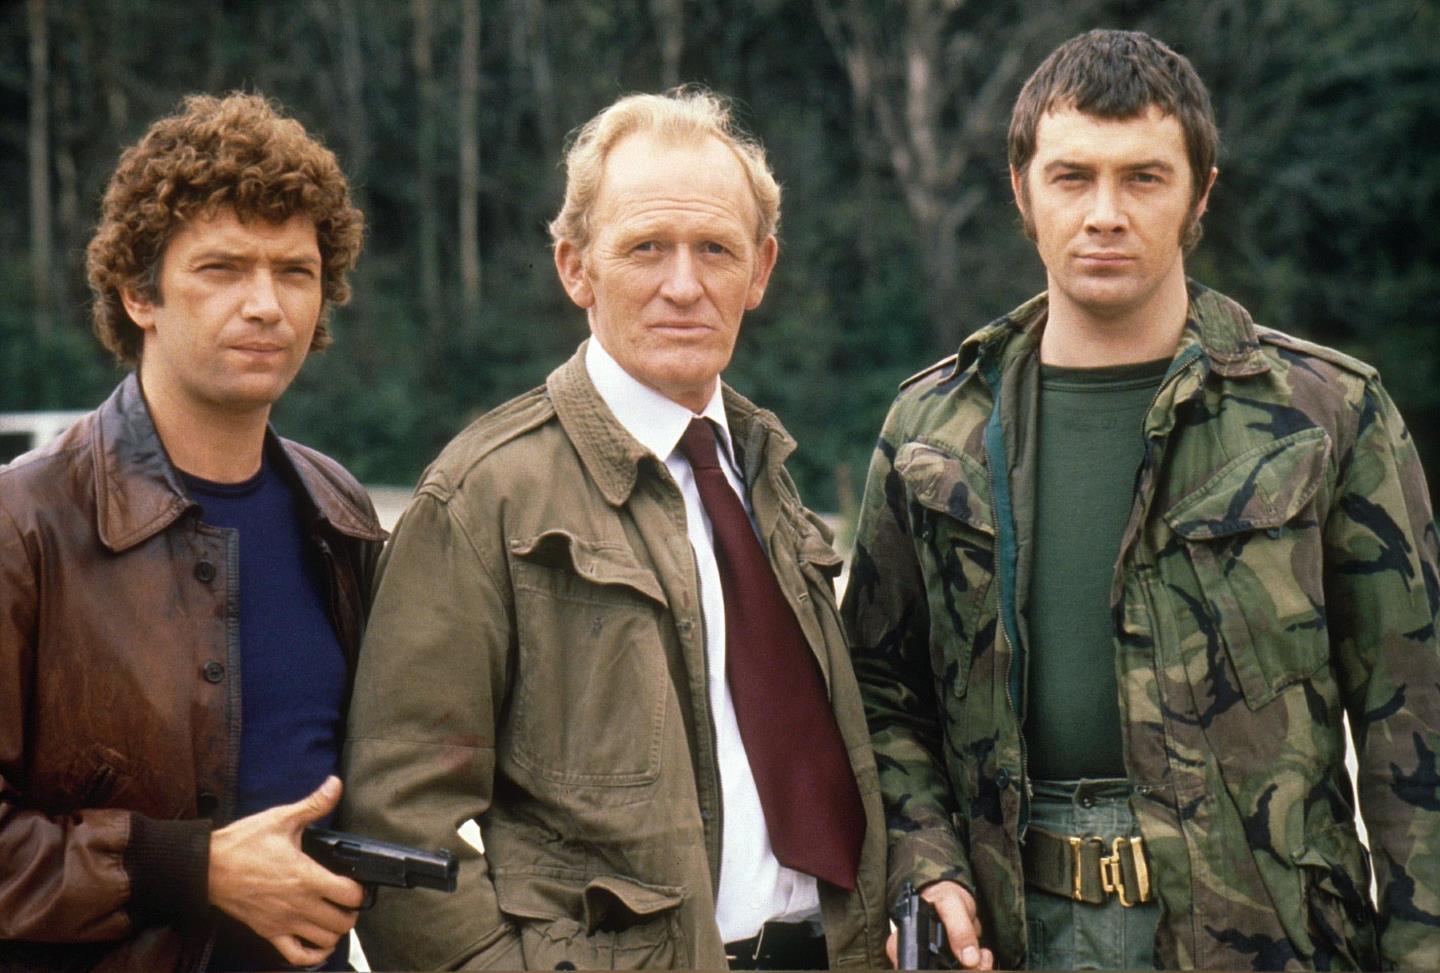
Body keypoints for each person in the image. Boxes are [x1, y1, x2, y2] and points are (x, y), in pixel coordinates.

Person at [842, 28, 1440, 971]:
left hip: (1264, 940)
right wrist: (927, 861)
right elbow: (881, 693)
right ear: (1022, 192)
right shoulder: (933, 430)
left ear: (1200, 195)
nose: (1105, 214)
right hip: (1014, 934)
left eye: (1144, 179)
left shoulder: (1327, 415)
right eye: (1073, 176)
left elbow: (1417, 718)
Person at [340, 88, 888, 970]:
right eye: (645, 249)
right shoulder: (482, 498)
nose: (684, 284)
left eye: (715, 248)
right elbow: (399, 827)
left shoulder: (769, 478)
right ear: (575, 268)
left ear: (761, 271)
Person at [0, 92, 385, 971]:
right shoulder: (24, 523)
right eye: (222, 268)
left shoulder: (338, 510)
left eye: (294, 271)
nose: (265, 304)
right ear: (140, 292)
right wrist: (189, 868)